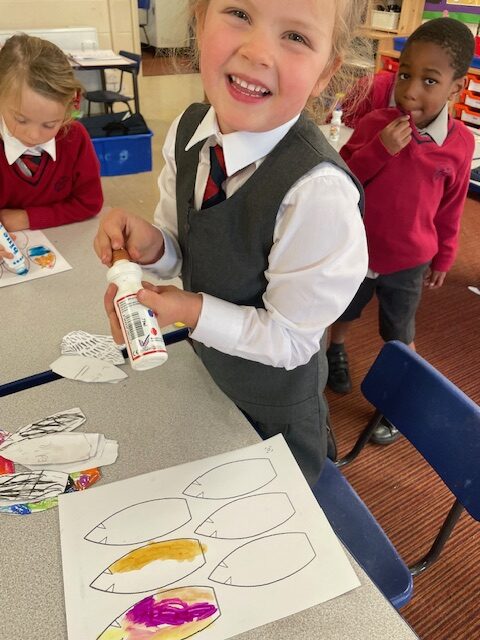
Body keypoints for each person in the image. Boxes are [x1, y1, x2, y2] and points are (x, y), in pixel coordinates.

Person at [94, 0, 370, 486]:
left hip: (271, 417)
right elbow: (186, 249)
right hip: (206, 379)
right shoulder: (187, 132)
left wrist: (188, 310)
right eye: (239, 13)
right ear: (200, 22)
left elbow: (289, 339)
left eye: (296, 37)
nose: (258, 51)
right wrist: (153, 247)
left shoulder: (317, 195)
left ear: (326, 71)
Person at [326, 18, 475, 445]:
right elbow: (342, 180)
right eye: (405, 74)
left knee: (399, 334)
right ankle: (336, 350)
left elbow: (451, 206)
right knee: (343, 312)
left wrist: (444, 255)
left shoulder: (459, 145)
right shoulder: (376, 124)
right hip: (356, 251)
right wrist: (380, 150)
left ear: (455, 89)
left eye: (429, 80)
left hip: (409, 261)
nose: (410, 91)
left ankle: (396, 401)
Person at [0, 33, 103, 260]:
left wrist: (27, 218)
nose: (34, 135)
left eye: (50, 124)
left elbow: (90, 202)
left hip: (66, 249)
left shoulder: (73, 138)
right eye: (21, 119)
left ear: (68, 109)